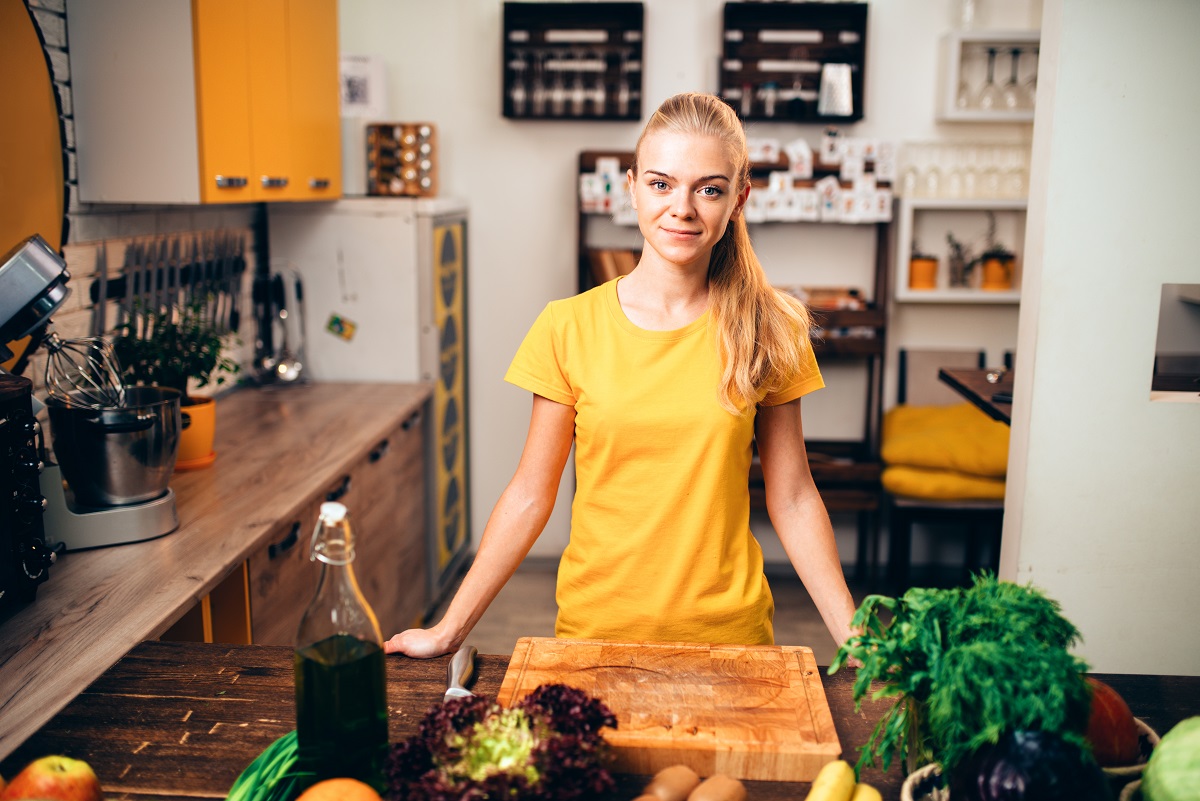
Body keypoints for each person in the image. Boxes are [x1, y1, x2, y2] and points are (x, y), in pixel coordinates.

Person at [386, 92, 856, 657]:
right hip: (596, 637)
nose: (682, 207)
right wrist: (449, 630)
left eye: (708, 188)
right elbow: (531, 496)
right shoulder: (567, 326)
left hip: (730, 642)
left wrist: (857, 641)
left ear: (738, 200)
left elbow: (796, 498)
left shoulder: (768, 328)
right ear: (630, 188)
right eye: (661, 184)